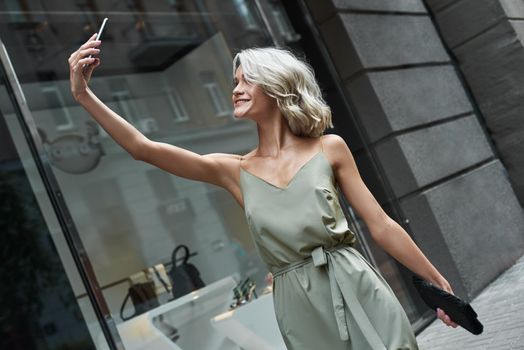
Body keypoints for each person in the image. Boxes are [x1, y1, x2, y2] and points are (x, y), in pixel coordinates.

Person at [69, 34, 458, 349]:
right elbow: (142, 149)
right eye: (234, 81)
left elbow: (382, 226)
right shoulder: (233, 171)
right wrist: (84, 96)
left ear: (276, 86)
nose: (235, 89)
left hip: (356, 282)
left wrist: (439, 284)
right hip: (298, 304)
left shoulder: (329, 148)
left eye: (245, 80)